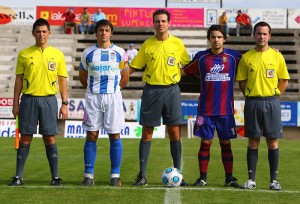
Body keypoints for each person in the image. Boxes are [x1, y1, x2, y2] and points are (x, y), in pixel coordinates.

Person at [129, 9, 191, 186]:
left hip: (171, 91)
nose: (160, 24)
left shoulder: (177, 44)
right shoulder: (147, 45)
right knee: (147, 132)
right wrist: (119, 76)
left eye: (163, 21)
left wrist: (176, 74)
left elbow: (187, 66)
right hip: (151, 91)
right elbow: (134, 66)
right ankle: (142, 175)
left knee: (174, 132)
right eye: (157, 21)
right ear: (153, 23)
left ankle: (178, 174)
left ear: (169, 23)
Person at [8, 18, 68, 186]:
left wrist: (65, 103)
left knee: (49, 138)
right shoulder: (25, 54)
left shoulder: (57, 55)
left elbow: (63, 80)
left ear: (49, 33)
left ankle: (55, 177)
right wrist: (15, 103)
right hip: (29, 100)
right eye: (38, 31)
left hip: (49, 100)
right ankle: (18, 177)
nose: (41, 34)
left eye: (44, 31)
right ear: (33, 33)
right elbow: (18, 80)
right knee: (25, 138)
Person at [181, 25, 242, 188]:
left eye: (219, 37)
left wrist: (274, 51)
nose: (216, 40)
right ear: (209, 38)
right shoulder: (201, 57)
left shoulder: (234, 57)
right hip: (205, 110)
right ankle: (202, 178)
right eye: (213, 37)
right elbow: (183, 72)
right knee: (205, 143)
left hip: (226, 111)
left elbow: (254, 60)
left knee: (226, 144)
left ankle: (229, 179)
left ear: (225, 39)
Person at [236, 21, 290, 190]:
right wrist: (252, 97)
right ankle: (251, 179)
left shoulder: (277, 56)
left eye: (265, 34)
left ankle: (274, 181)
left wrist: (274, 96)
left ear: (269, 36)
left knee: (272, 141)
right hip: (253, 102)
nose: (262, 36)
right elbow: (242, 83)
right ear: (254, 35)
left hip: (271, 102)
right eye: (259, 33)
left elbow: (284, 81)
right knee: (253, 141)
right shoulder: (247, 57)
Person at [79, 19, 129, 187]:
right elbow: (82, 76)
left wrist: (114, 89)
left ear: (111, 33)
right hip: (93, 97)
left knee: (114, 134)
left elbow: (125, 76)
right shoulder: (87, 53)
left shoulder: (121, 52)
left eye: (107, 30)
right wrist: (94, 89)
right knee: (91, 134)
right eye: (101, 30)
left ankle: (115, 174)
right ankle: (88, 175)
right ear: (96, 33)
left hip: (113, 97)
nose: (104, 33)